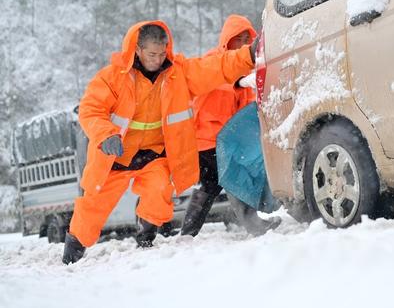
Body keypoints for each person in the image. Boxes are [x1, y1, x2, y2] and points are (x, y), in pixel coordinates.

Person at [62, 20, 256, 264]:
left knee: (160, 188)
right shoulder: (111, 78)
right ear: (137, 49)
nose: (157, 59)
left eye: (161, 53)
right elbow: (91, 110)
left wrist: (247, 55)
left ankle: (146, 235)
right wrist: (106, 135)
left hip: (153, 155)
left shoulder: (178, 74)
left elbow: (214, 67)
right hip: (116, 156)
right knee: (92, 206)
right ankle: (74, 248)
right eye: (151, 54)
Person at [180, 15, 280, 237]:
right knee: (233, 176)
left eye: (248, 39)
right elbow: (217, 78)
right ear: (227, 40)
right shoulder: (213, 60)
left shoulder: (246, 74)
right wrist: (238, 81)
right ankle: (253, 225)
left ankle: (188, 233)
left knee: (211, 185)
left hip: (226, 139)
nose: (245, 44)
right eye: (239, 39)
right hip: (207, 138)